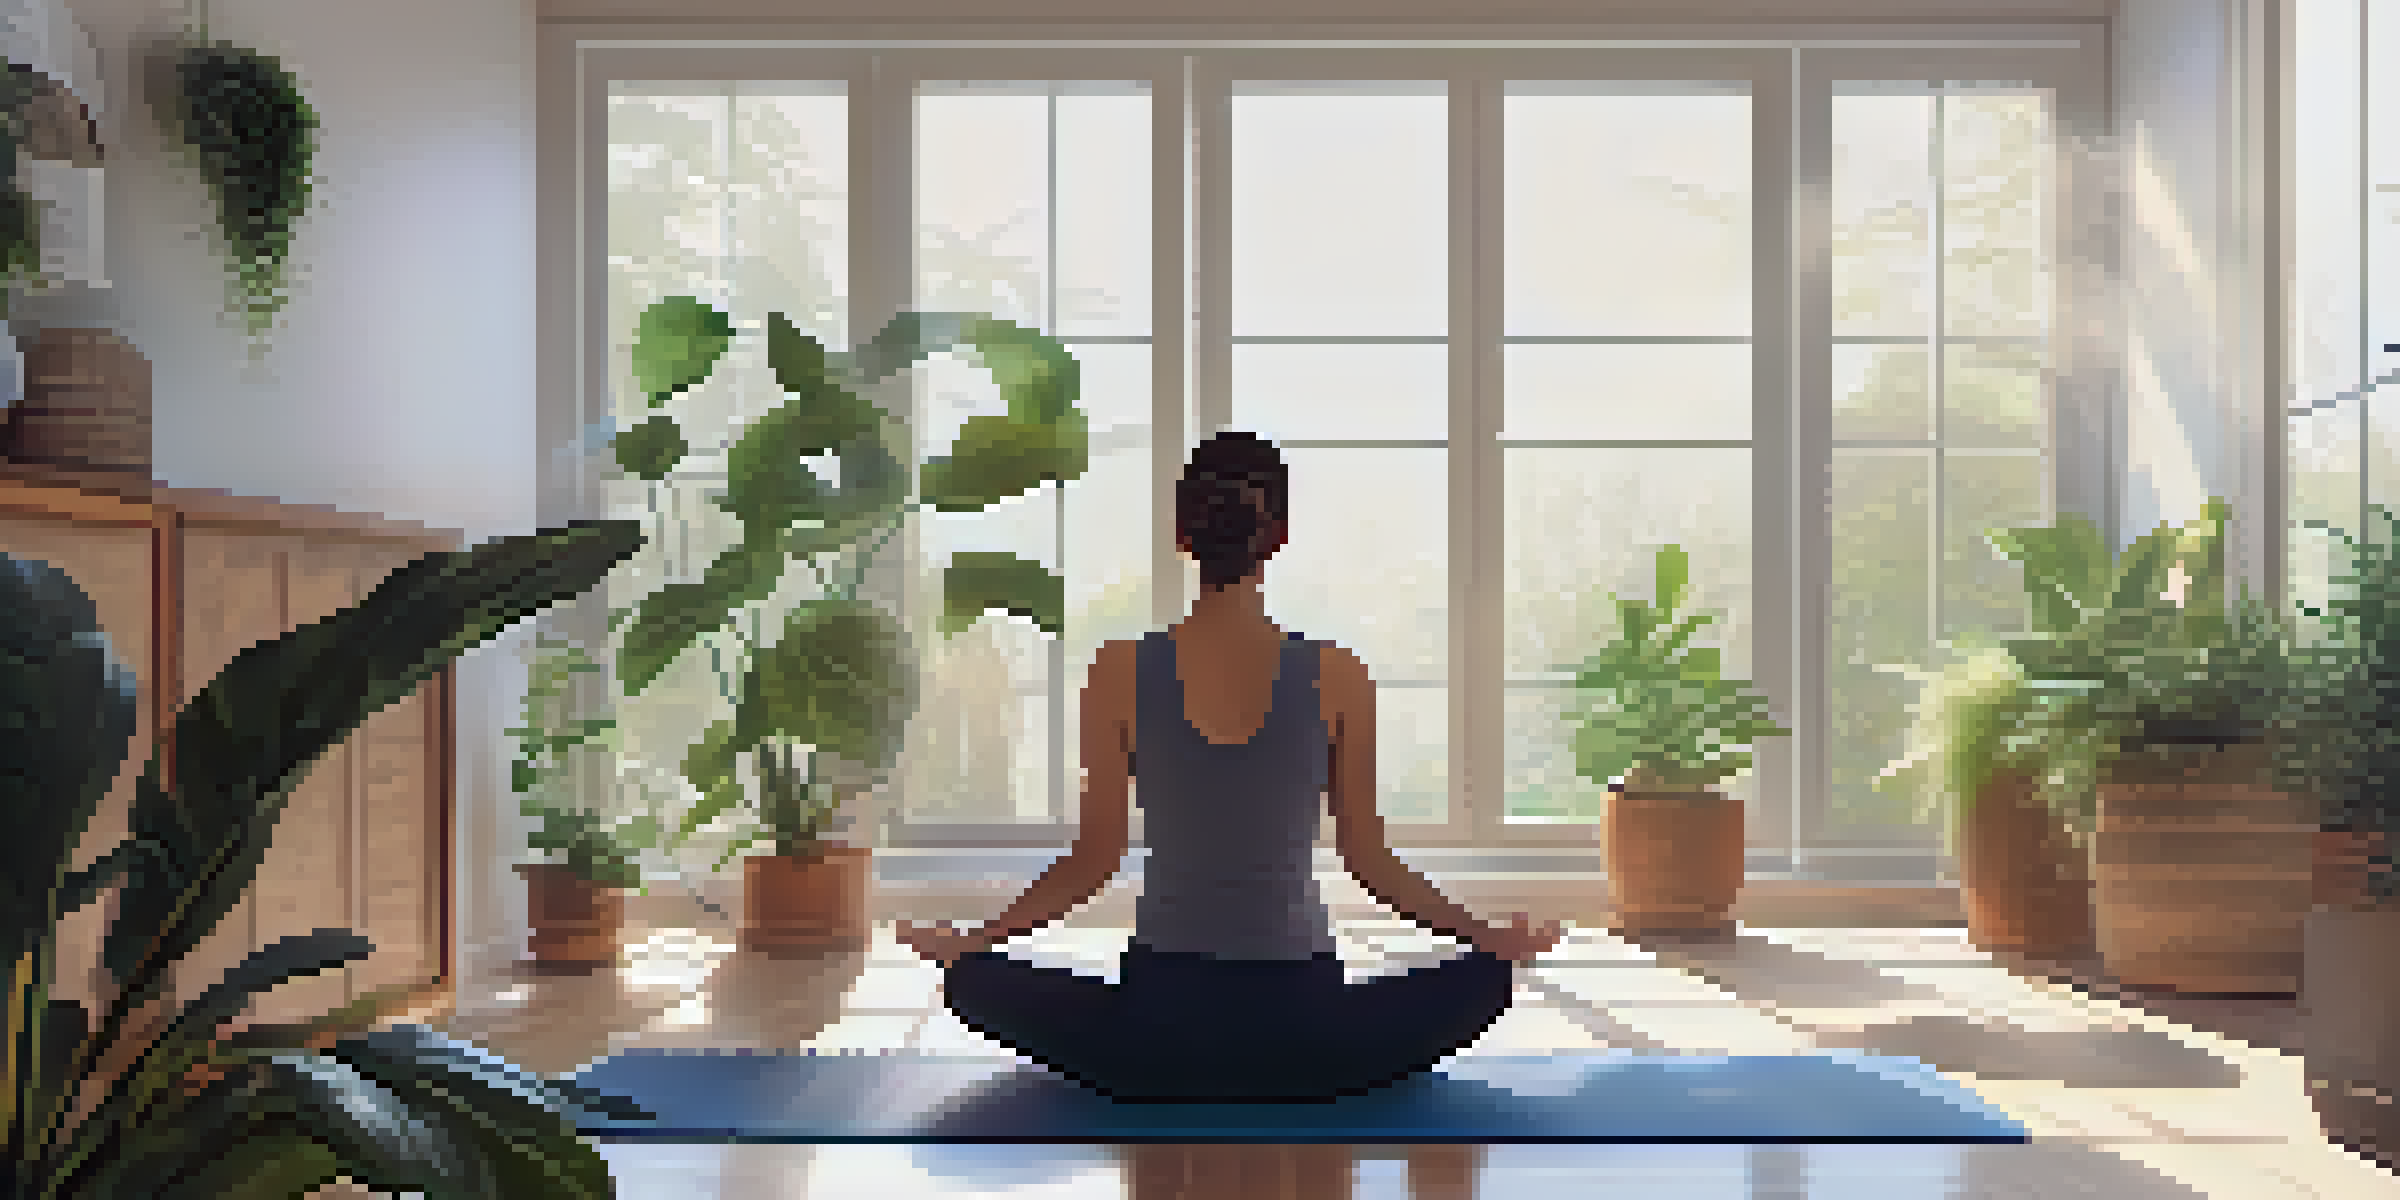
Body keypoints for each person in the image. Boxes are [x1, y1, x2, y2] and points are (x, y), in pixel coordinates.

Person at [897, 430, 1565, 1102]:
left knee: (971, 982)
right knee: (1485, 980)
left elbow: (1092, 861)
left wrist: (976, 939)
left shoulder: (1119, 670)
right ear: (1275, 537)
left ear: (1183, 534)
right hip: (1308, 1035)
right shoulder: (1337, 673)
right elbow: (1370, 861)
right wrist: (1487, 937)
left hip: (1156, 1037)